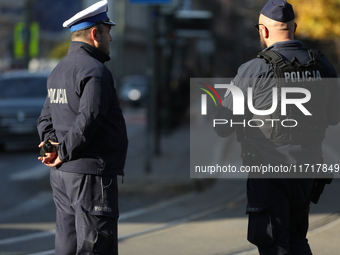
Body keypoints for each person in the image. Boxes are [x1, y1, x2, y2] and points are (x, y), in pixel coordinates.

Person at [214, 0, 340, 254]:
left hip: (269, 174)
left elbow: (223, 126)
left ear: (264, 31)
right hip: (307, 172)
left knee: (273, 244)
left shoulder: (254, 69)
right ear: (294, 27)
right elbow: (334, 116)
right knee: (297, 239)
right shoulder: (322, 65)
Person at [37, 1, 128, 254]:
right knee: (96, 245)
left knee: (67, 245)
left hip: (63, 176)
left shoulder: (58, 71)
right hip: (91, 175)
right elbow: (89, 118)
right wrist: (63, 152)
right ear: (94, 33)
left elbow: (45, 119)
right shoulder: (96, 71)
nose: (111, 37)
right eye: (108, 30)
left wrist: (52, 150)